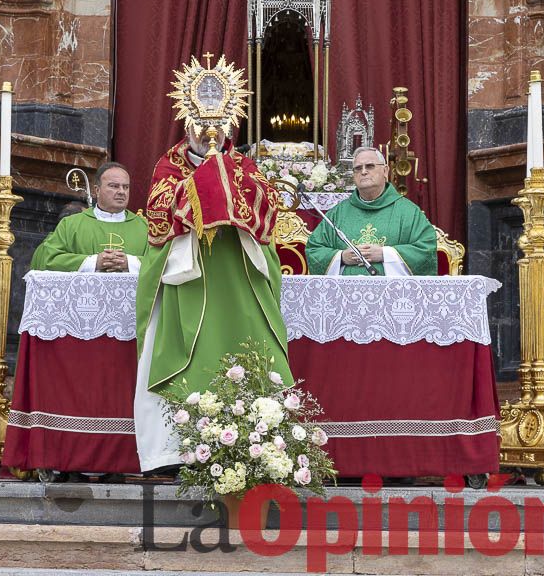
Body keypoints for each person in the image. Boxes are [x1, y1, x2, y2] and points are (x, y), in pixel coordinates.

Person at [133, 122, 290, 472]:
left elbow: (267, 207)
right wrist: (205, 186)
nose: (209, 133)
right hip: (188, 279)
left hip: (237, 278)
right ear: (187, 126)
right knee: (185, 357)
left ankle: (253, 441)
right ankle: (176, 451)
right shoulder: (169, 165)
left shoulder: (245, 166)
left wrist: (225, 181)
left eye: (217, 126)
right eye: (200, 125)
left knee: (248, 349)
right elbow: (159, 214)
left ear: (229, 126)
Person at [304, 147, 437, 275]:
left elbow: (426, 249)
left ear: (385, 171)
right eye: (358, 168)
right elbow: (314, 249)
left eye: (370, 166)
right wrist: (342, 257)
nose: (363, 172)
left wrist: (385, 254)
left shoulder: (408, 212)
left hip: (391, 290)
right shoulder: (338, 213)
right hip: (345, 289)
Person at [30, 162, 147, 272]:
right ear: (97, 190)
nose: (122, 191)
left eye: (125, 187)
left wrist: (130, 262)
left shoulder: (145, 228)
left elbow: (157, 263)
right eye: (114, 186)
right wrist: (93, 262)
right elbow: (48, 259)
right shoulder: (70, 225)